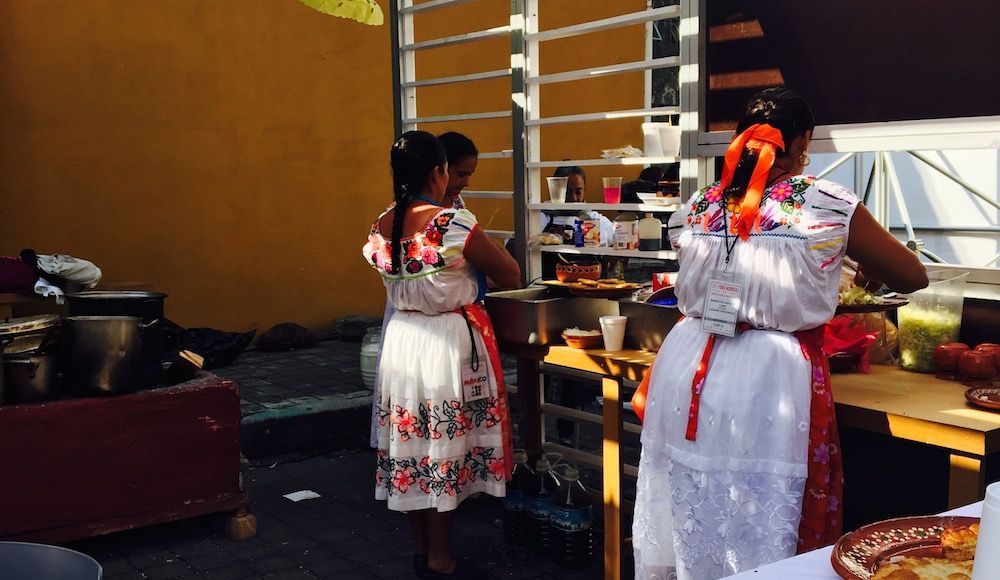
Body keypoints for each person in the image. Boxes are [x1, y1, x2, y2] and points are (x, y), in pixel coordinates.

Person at [631, 87, 927, 580]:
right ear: (803, 142)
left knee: (693, 494)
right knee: (757, 504)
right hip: (768, 374)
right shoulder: (828, 203)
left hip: (689, 362)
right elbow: (912, 277)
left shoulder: (698, 205)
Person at [362, 131, 521, 579]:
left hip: (404, 341)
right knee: (442, 450)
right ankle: (441, 559)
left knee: (413, 448)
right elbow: (510, 273)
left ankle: (422, 551)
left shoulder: (383, 223)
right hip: (445, 341)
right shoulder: (453, 223)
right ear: (439, 171)